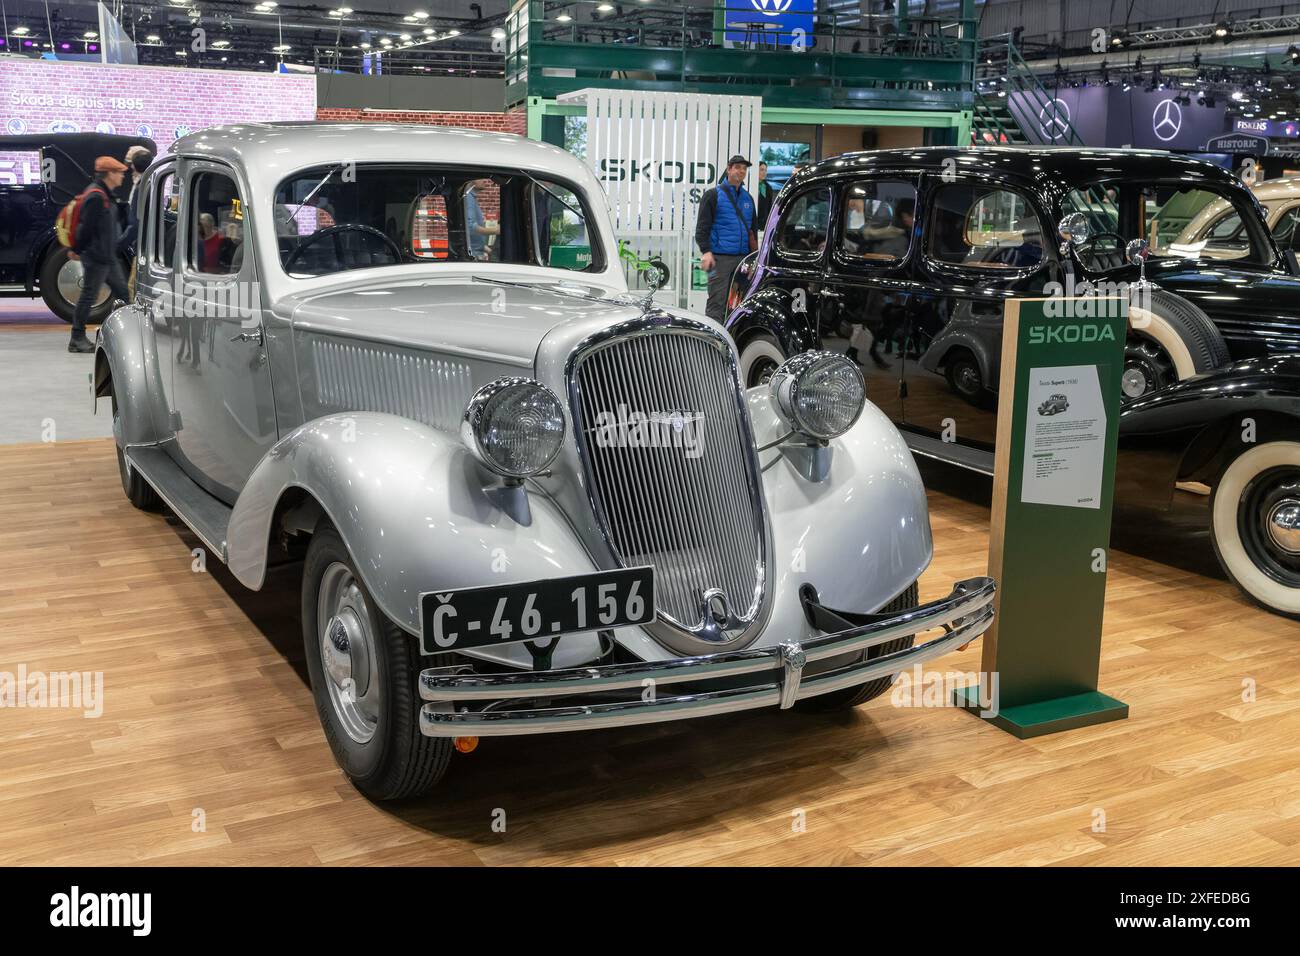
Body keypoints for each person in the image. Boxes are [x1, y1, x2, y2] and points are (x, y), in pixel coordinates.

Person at [69, 156, 130, 354]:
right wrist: (77, 250)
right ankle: (76, 338)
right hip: (97, 257)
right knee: (89, 296)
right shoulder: (95, 195)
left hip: (107, 257)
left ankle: (125, 335)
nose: (122, 176)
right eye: (119, 172)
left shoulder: (105, 194)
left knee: (123, 294)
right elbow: (86, 228)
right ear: (109, 174)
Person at [695, 154, 757, 323]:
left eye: (744, 168)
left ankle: (733, 341)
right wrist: (706, 252)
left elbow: (752, 232)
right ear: (729, 169)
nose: (741, 171)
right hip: (717, 260)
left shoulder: (748, 199)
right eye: (737, 167)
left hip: (743, 260)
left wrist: (754, 257)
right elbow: (702, 229)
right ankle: (712, 344)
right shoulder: (712, 195)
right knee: (717, 302)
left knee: (740, 304)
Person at [756, 161, 774, 233]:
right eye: (761, 170)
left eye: (765, 170)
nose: (764, 172)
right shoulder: (750, 185)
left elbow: (769, 206)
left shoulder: (768, 187)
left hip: (764, 224)